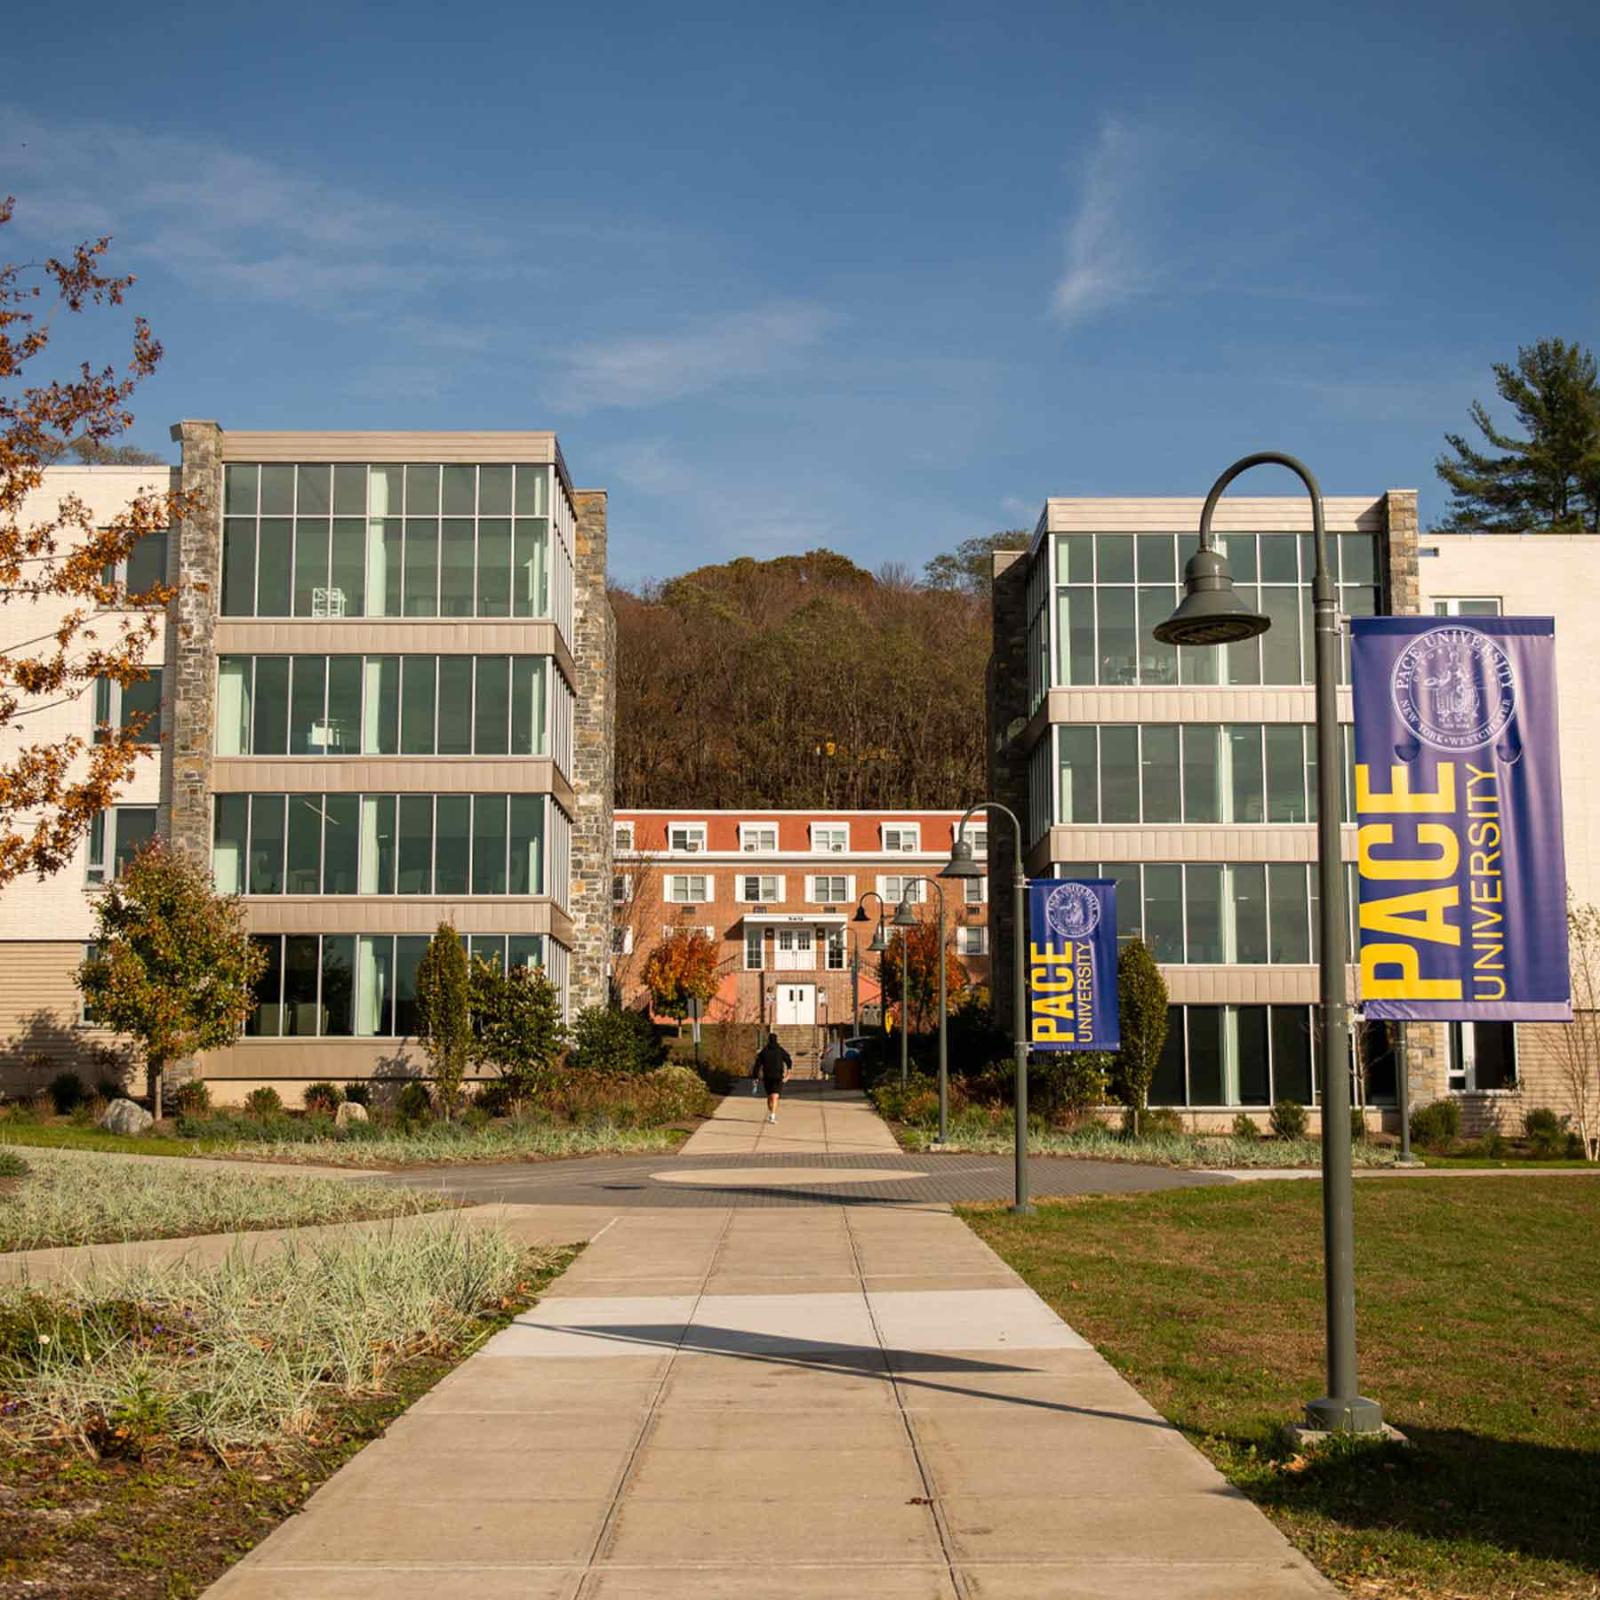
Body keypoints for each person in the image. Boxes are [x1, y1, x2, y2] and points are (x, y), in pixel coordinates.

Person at [754, 1031, 792, 1123]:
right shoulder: (780, 1050)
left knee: (770, 1096)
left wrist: (755, 1076)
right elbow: (788, 1059)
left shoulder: (764, 1051)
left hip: (767, 1077)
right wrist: (789, 1070)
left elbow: (757, 1064)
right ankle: (772, 1114)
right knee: (774, 1096)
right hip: (777, 1076)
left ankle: (772, 1114)